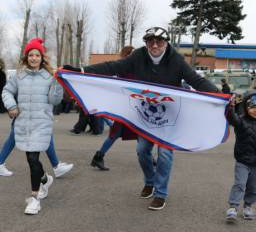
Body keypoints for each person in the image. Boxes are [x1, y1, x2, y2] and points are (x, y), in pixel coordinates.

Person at [64, 26, 219, 211]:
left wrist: (219, 94)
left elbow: (196, 80)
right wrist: (81, 70)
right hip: (145, 113)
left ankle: (161, 193)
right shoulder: (138, 56)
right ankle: (150, 181)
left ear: (166, 42)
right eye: (149, 41)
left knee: (165, 153)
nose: (154, 45)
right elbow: (112, 67)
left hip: (169, 114)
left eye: (159, 41)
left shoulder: (176, 60)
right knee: (142, 150)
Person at [1, 38, 64, 215]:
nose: (34, 58)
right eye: (31, 55)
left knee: (33, 159)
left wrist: (58, 83)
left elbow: (55, 100)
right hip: (23, 124)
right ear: (26, 57)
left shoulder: (49, 77)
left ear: (42, 58)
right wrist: (11, 106)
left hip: (41, 124)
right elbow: (6, 91)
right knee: (31, 159)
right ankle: (45, 178)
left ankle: (34, 199)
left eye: (37, 55)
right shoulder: (18, 76)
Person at [91, 46, 137, 170]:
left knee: (141, 132)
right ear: (126, 55)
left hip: (134, 107)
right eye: (131, 54)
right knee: (115, 134)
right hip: (123, 108)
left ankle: (148, 158)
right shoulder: (122, 68)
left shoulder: (135, 68)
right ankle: (98, 157)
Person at [225, 92, 256, 222]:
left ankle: (248, 206)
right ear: (246, 107)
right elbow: (232, 118)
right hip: (242, 161)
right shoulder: (241, 121)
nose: (255, 111)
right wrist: (230, 107)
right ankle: (233, 207)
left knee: (253, 187)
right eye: (253, 107)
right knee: (240, 184)